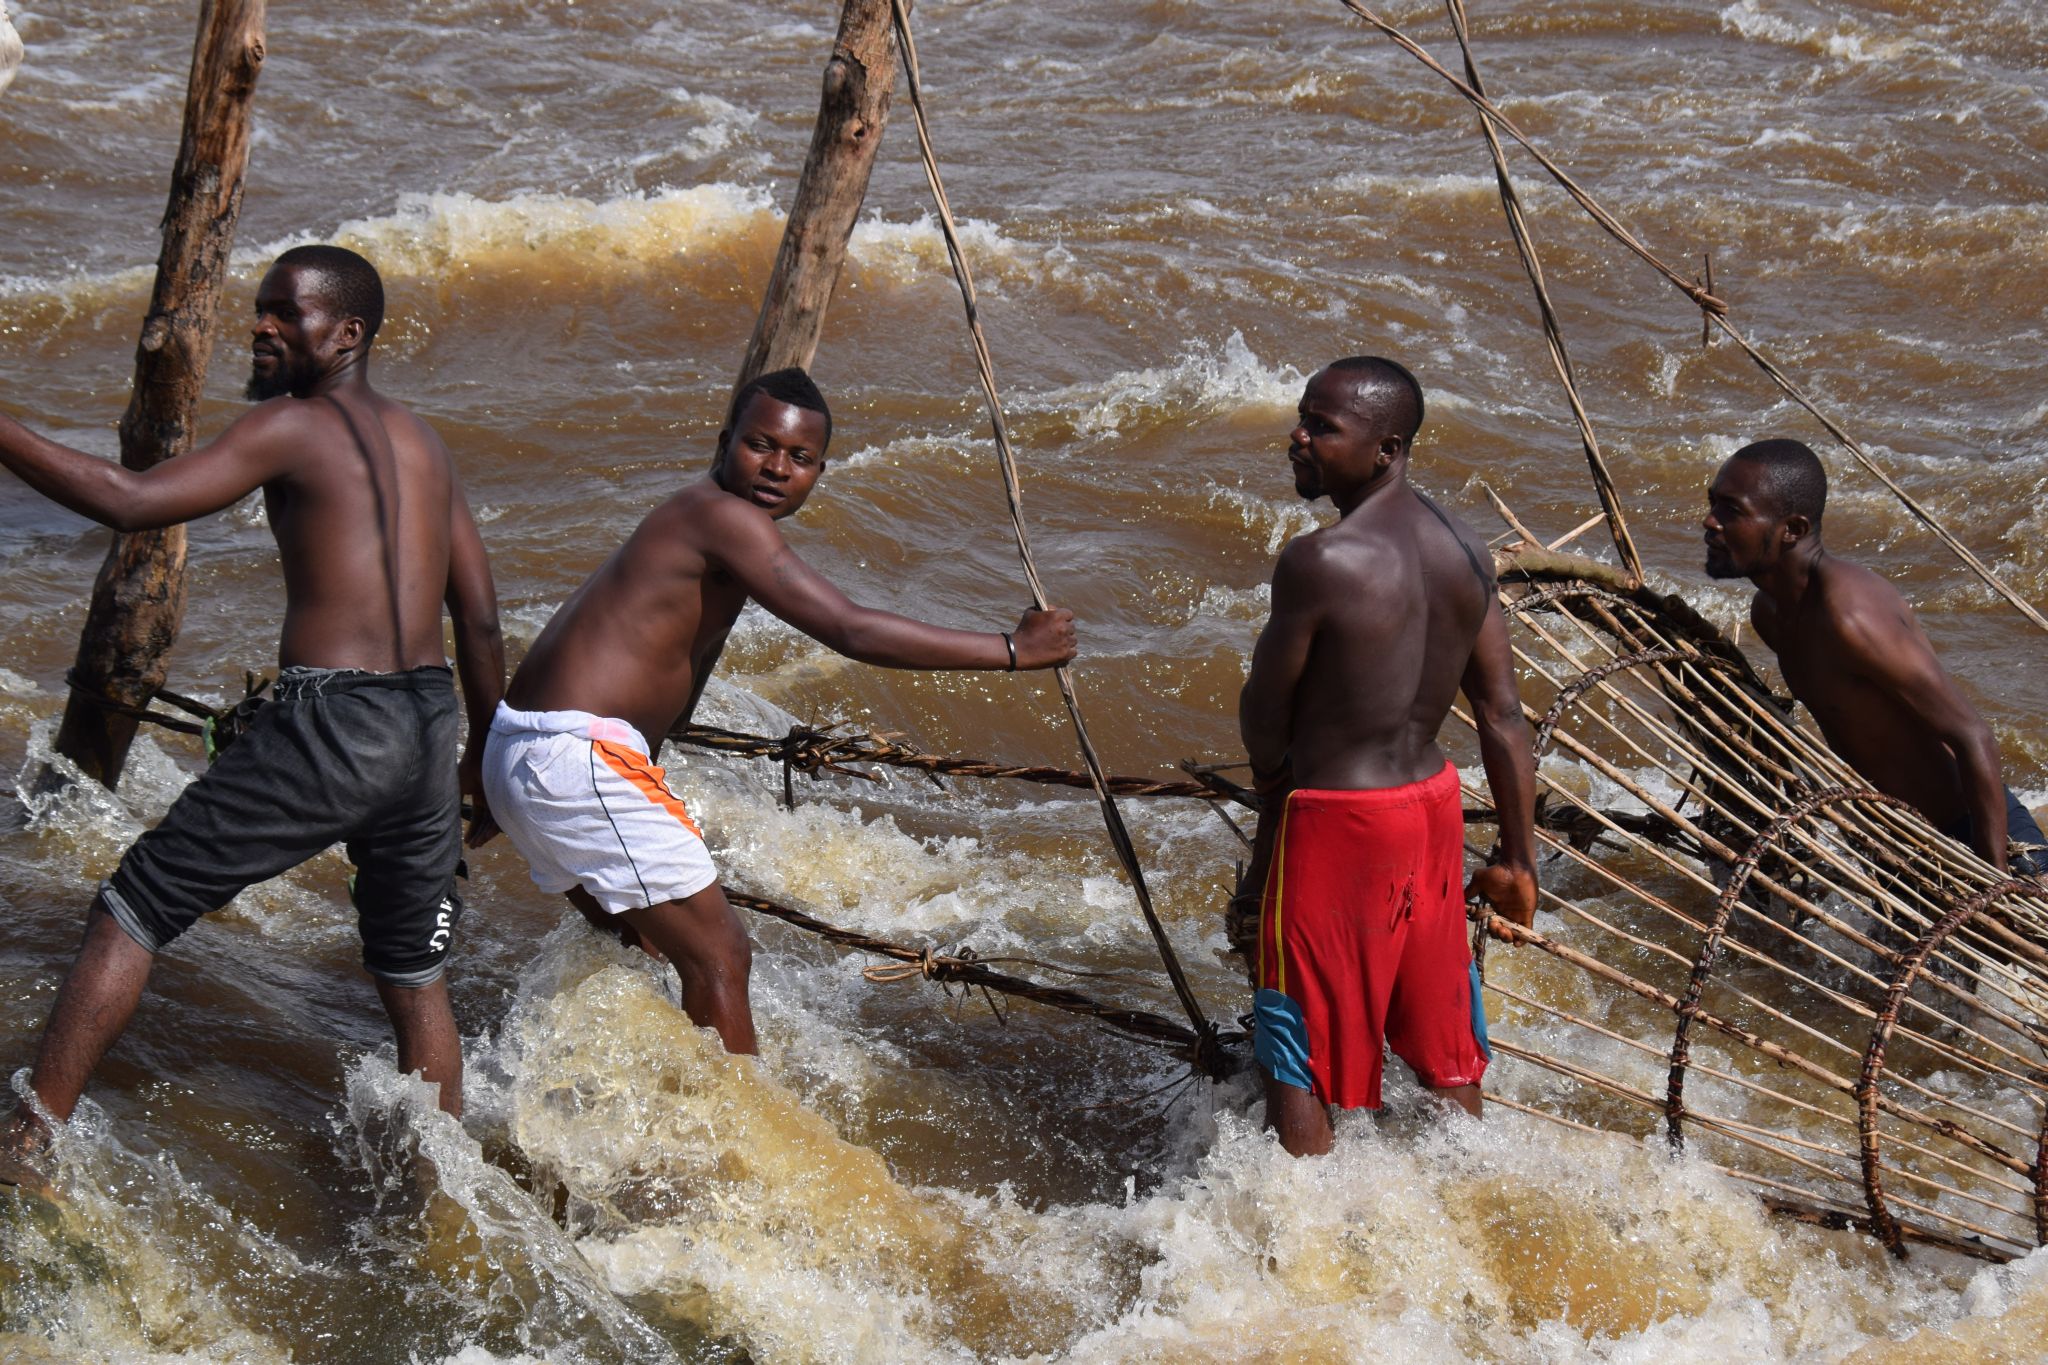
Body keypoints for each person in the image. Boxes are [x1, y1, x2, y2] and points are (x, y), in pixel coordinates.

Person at [0, 245, 504, 1192]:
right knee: (410, 973)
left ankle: (25, 1145)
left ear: (348, 334)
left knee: (132, 905)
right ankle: (434, 1199)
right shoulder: (425, 443)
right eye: (260, 310)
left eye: (287, 314)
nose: (262, 328)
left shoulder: (293, 426)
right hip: (430, 724)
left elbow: (133, 499)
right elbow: (477, 616)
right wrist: (484, 756)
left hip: (335, 722)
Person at [479, 366, 1076, 1056]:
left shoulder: (697, 513)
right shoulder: (725, 516)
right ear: (725, 440)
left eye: (800, 457)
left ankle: (616, 1102)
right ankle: (729, 1146)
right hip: (576, 755)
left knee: (639, 944)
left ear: (821, 470)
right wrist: (1012, 648)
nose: (777, 467)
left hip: (525, 748)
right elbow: (849, 628)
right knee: (721, 956)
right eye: (761, 445)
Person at [1239, 356, 1537, 1157]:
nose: (1297, 437)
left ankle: (1295, 1234)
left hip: (1339, 821)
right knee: (1442, 1028)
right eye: (1303, 416)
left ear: (1387, 447)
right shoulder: (1467, 548)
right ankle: (1469, 1186)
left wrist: (1273, 798)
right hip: (1431, 804)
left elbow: (1264, 714)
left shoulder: (1320, 561)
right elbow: (1502, 713)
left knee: (1291, 1033)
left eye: (1322, 427)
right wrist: (1517, 857)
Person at [1703, 438, 2044, 877]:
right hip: (1897, 843)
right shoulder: (1770, 613)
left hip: (1973, 836)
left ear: (1793, 530)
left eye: (1733, 510)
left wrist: (1994, 876)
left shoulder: (1850, 615)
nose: (1710, 522)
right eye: (1713, 503)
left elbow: (1973, 736)